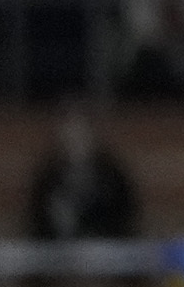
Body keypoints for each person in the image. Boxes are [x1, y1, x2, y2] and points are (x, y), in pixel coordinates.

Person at [18, 104, 137, 252]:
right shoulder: (48, 177)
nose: (75, 141)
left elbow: (125, 212)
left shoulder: (111, 173)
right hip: (58, 252)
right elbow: (37, 218)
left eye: (81, 134)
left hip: (105, 248)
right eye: (69, 134)